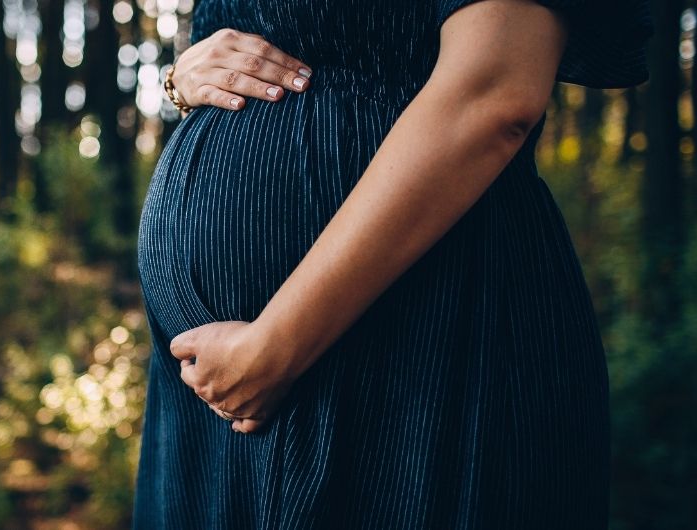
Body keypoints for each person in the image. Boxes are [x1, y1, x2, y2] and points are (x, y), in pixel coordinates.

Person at [133, 0, 652, 527]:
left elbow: (494, 94)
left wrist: (275, 344)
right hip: (210, 397)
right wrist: (182, 78)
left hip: (428, 334)